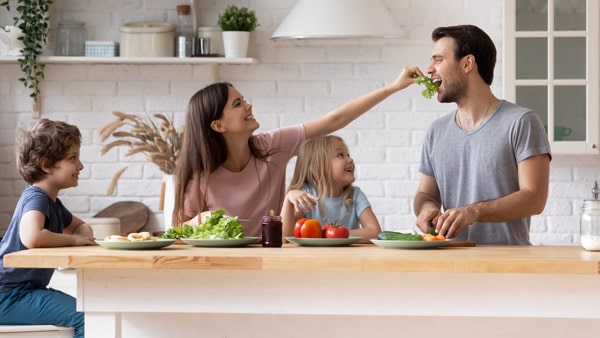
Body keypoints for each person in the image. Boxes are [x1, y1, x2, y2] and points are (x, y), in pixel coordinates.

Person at [173, 68, 417, 236]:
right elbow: (179, 229)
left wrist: (393, 88)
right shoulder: (200, 173)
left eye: (244, 99)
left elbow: (334, 120)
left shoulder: (272, 146)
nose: (249, 105)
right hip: (225, 266)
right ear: (218, 126)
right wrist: (199, 221)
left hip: (273, 260)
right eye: (238, 104)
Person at [412, 25, 551, 245]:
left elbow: (534, 198)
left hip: (509, 267)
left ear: (467, 63)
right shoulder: (436, 131)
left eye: (438, 60)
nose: (429, 69)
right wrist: (427, 209)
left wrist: (474, 211)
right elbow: (425, 194)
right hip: (451, 264)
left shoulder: (521, 122)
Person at [0, 119, 97, 338]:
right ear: (46, 164)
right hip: (8, 295)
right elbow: (31, 236)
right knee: (89, 319)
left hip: (21, 292)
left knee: (91, 314)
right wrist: (74, 241)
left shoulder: (52, 203)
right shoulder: (36, 197)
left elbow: (82, 227)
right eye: (73, 158)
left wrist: (81, 237)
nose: (80, 166)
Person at [281, 135, 381, 243]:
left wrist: (330, 235)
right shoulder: (305, 196)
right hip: (312, 259)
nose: (350, 159)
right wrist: (288, 200)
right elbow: (284, 239)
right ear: (317, 166)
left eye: (348, 155)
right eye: (341, 155)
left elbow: (374, 232)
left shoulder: (355, 195)